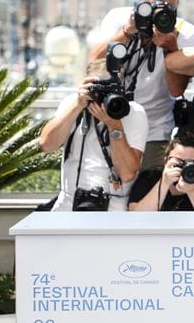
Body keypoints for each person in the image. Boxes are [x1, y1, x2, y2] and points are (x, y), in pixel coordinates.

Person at [89, 0, 194, 172]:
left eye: (165, 7)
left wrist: (171, 47)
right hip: (111, 118)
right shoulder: (119, 18)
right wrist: (128, 30)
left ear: (176, 7)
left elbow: (176, 90)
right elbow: (94, 61)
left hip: (155, 128)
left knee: (145, 192)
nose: (157, 12)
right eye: (151, 4)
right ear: (140, 1)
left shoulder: (185, 32)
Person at [39, 60, 149, 211]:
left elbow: (127, 173)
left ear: (121, 87)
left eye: (110, 88)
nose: (103, 95)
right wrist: (78, 105)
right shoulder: (73, 103)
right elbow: (46, 145)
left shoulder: (133, 112)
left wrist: (114, 125)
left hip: (112, 207)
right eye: (98, 89)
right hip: (70, 203)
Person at [128, 128, 194, 211]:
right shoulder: (149, 178)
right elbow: (136, 218)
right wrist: (164, 183)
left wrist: (193, 192)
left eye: (191, 163)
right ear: (165, 161)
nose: (184, 167)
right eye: (178, 161)